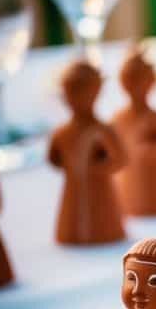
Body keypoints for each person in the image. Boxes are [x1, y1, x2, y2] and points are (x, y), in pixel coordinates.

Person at [48, 60, 126, 244]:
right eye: (70, 92)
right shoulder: (62, 132)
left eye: (80, 92)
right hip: (73, 189)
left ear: (95, 93)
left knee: (103, 218)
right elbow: (53, 158)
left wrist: (99, 167)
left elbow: (120, 159)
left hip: (100, 190)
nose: (74, 98)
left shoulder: (103, 131)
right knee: (71, 219)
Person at [112, 47, 156, 215]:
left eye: (140, 79)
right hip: (128, 183)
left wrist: (151, 149)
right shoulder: (118, 118)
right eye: (131, 80)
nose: (136, 85)